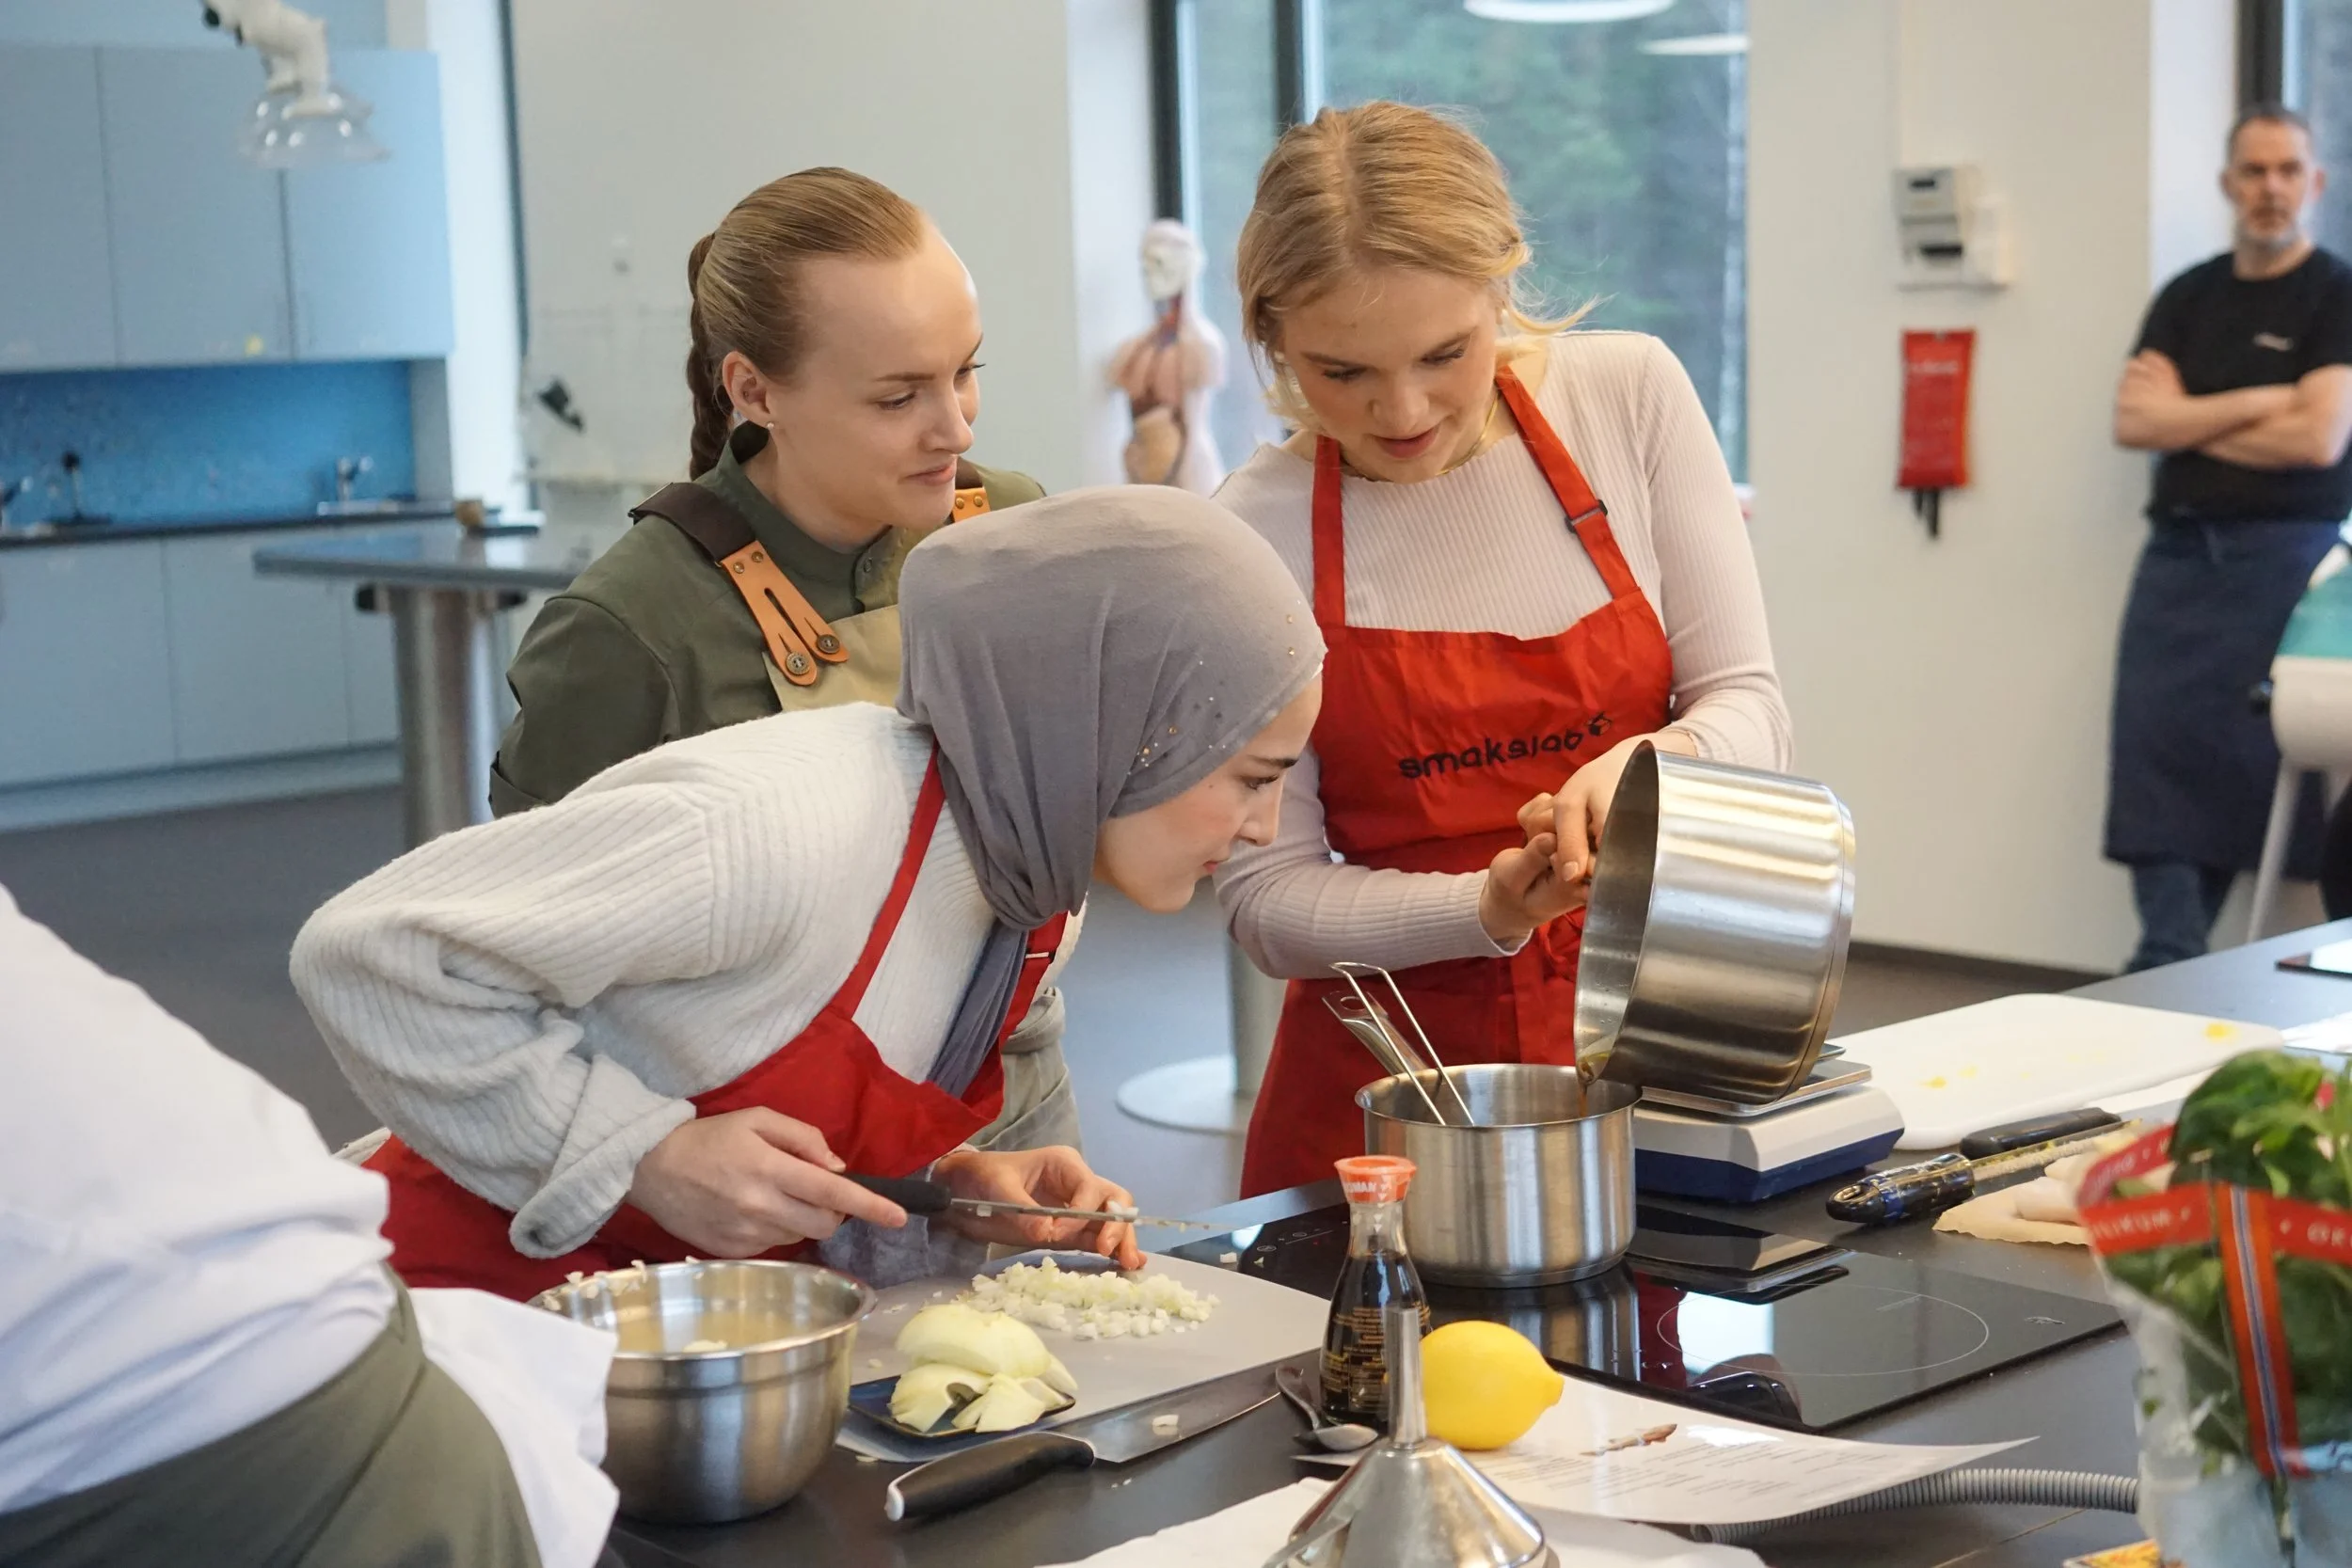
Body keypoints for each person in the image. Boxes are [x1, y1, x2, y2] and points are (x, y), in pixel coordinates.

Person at [291, 487, 1325, 1298]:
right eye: (1252, 776)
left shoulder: (1039, 877)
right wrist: (638, 1154)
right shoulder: (779, 823)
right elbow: (371, 951)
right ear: (1112, 719)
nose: (1263, 830)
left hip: (689, 1343)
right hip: (459, 1308)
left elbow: (751, 1080)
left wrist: (943, 1192)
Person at [1210, 102, 1791, 1197]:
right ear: (1271, 335)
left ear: (1501, 286)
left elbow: (1749, 705)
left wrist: (1656, 771)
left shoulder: (1626, 397)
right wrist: (1487, 906)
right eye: (1343, 373)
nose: (1404, 408)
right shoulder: (1254, 528)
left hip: (1659, 1042)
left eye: (1446, 352)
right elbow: (1265, 899)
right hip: (1390, 1087)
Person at [489, 166, 1080, 1155]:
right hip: (759, 1141)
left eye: (966, 371)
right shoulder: (630, 626)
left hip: (1010, 1091)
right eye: (898, 398)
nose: (957, 428)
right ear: (753, 390)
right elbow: (518, 969)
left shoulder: (1014, 528)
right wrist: (653, 1157)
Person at [0, 883, 617, 1568]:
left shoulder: (731, 829)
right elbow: (362, 947)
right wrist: (638, 1151)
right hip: (265, 1349)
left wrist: (632, 1149)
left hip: (255, 1440)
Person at [2107, 103, 2352, 972]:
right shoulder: (2187, 297)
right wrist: (2266, 398)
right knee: (2156, 764)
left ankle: (2238, 977)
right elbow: (2135, 419)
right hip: (2177, 564)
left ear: (2315, 184)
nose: (2271, 187)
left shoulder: (2335, 292)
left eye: (2289, 170)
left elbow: (2320, 439)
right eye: (2254, 171)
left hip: (2288, 565)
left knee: (2261, 771)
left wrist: (2190, 419)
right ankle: (2164, 958)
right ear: (2227, 183)